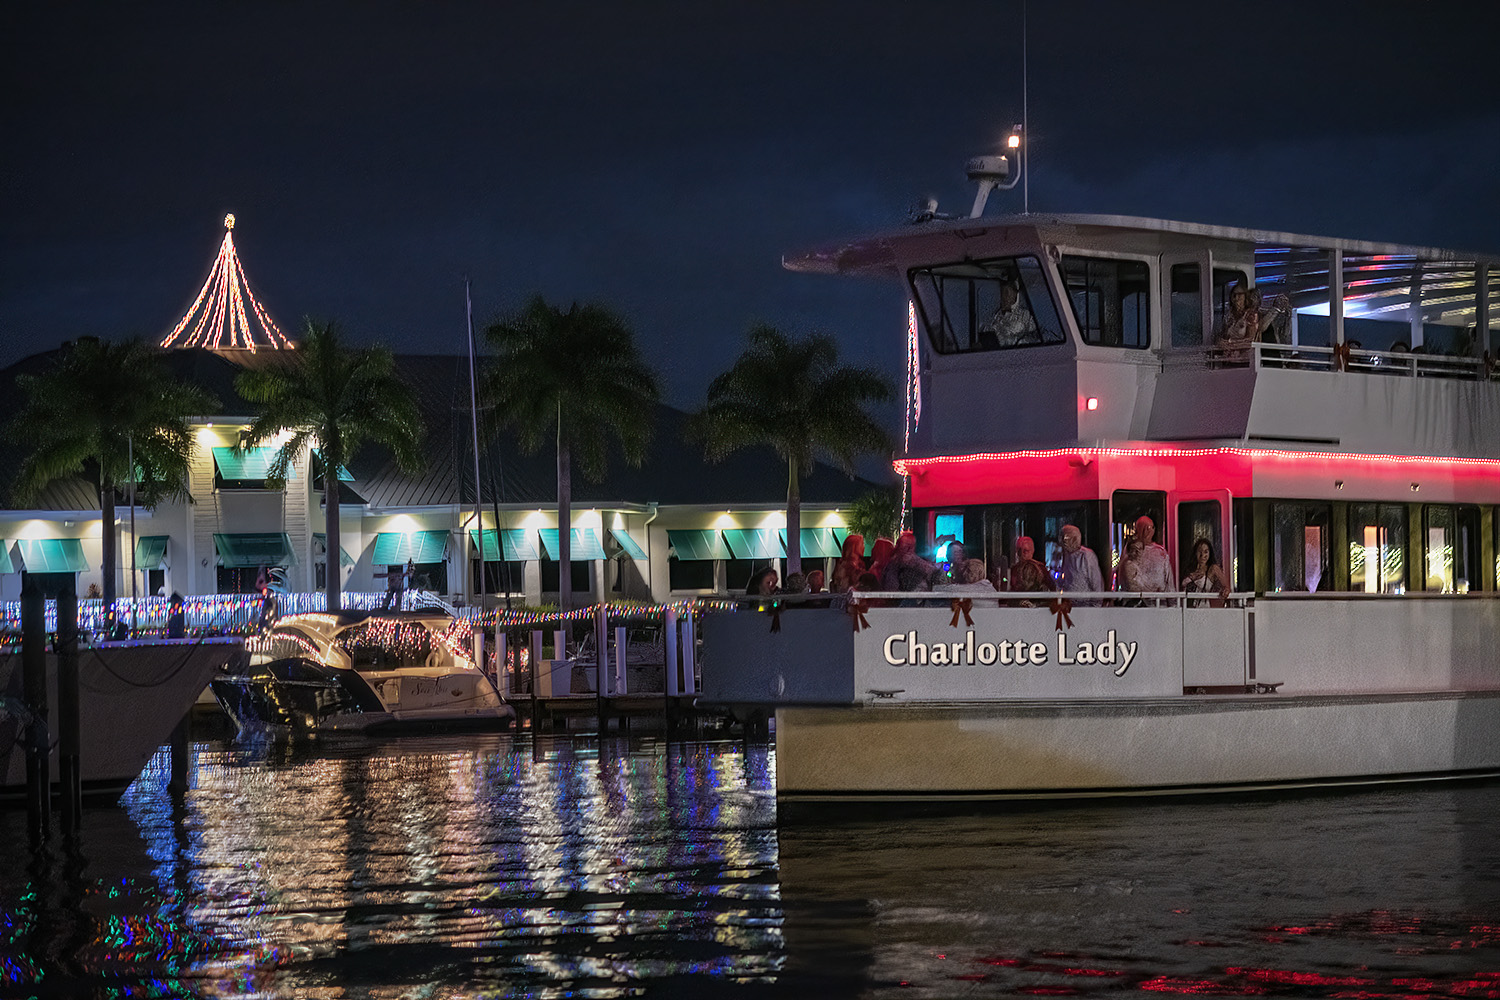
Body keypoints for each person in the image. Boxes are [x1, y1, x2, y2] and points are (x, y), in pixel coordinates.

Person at [1215, 281, 1289, 356]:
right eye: (1234, 295)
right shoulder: (1229, 318)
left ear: (1246, 297)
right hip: (1229, 360)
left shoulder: (1251, 315)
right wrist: (1221, 342)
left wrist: (1275, 309)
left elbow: (1252, 338)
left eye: (1239, 295)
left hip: (1246, 360)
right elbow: (1222, 336)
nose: (1236, 299)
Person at [1057, 524, 1104, 606]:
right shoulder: (1066, 556)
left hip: (1087, 607)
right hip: (1070, 606)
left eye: (1066, 537)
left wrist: (1096, 606)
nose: (1063, 541)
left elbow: (1096, 582)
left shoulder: (1087, 556)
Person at [982, 282, 1039, 347]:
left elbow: (1035, 338)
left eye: (1007, 293)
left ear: (1014, 295)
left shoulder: (1025, 315)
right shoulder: (994, 317)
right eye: (1001, 293)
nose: (1004, 297)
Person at [1131, 516, 1175, 593]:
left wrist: (1173, 603)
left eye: (1149, 528)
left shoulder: (1161, 552)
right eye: (1143, 528)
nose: (1146, 531)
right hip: (1136, 602)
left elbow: (1169, 581)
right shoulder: (1130, 550)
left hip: (1159, 602)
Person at [1183, 538, 1231, 605]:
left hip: (1205, 607)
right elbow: (1182, 586)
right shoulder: (1191, 569)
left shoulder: (1213, 569)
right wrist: (1192, 578)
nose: (1203, 555)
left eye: (1206, 552)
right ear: (1195, 553)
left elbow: (1226, 586)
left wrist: (1225, 592)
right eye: (1200, 551)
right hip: (1190, 607)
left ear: (1209, 553)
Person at [1116, 538, 1144, 606]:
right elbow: (1133, 587)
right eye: (1134, 549)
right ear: (1129, 551)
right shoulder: (1129, 565)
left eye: (1140, 549)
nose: (1138, 552)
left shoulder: (1139, 565)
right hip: (1131, 603)